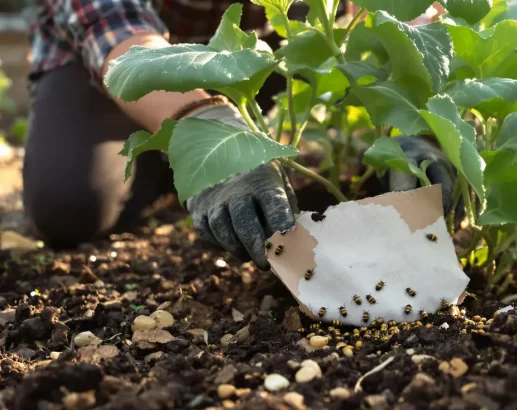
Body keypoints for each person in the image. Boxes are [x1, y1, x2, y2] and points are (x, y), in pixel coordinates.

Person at [23, 0, 455, 270]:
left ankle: (181, 155)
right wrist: (208, 134)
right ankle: (168, 150)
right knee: (70, 203)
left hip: (269, 50)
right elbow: (119, 36)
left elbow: (409, 15)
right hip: (110, 59)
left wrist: (418, 119)